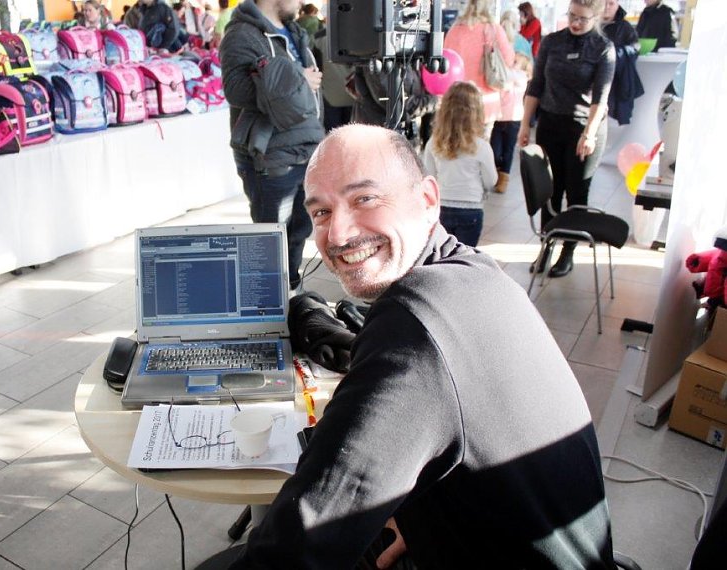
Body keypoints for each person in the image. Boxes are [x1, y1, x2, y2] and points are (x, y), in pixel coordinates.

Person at [229, 123, 616, 568]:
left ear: (428, 199)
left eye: (364, 199)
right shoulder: (476, 273)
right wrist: (417, 520)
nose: (336, 234)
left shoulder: (414, 324)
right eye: (320, 212)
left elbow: (303, 541)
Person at [219, 0, 324, 291]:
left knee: (298, 232)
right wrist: (296, 80)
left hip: (304, 148)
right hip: (269, 154)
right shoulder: (242, 34)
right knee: (269, 242)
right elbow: (235, 90)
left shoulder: (294, 31)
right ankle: (267, 306)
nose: (303, 2)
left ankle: (289, 294)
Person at [517, 0, 615, 278]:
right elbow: (536, 86)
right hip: (550, 122)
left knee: (576, 192)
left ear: (595, 17)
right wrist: (526, 124)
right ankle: (547, 245)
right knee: (550, 190)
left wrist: (590, 134)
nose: (575, 23)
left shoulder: (603, 48)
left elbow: (601, 98)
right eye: (572, 15)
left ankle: (568, 252)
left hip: (584, 128)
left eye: (582, 19)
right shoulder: (552, 41)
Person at [422, 81, 496, 247]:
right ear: (476, 113)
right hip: (471, 211)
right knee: (464, 257)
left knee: (442, 254)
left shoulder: (433, 143)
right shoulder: (482, 147)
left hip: (442, 208)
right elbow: (491, 181)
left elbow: (428, 177)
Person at [443, 0, 515, 133]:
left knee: (456, 146)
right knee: (481, 148)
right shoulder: (494, 30)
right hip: (486, 104)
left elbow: (445, 63)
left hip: (457, 100)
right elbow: (509, 60)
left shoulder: (454, 30)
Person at [491, 49, 531, 194]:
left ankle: (503, 179)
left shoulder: (521, 77)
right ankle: (497, 170)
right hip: (499, 117)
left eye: (515, 62)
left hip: (514, 119)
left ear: (524, 67)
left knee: (508, 150)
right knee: (495, 150)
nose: (512, 63)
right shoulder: (509, 77)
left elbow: (506, 77)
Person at [603, 0, 643, 125]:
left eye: (611, 3)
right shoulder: (590, 24)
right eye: (603, 3)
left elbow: (635, 48)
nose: (607, 7)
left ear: (617, 5)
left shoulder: (625, 28)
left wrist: (612, 53)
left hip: (614, 83)